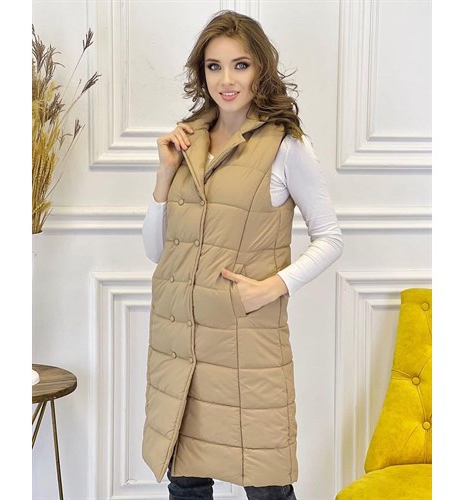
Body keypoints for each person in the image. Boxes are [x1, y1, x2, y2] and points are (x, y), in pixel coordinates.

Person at [141, 10, 343, 500]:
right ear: (201, 72)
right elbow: (158, 252)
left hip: (247, 347)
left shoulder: (286, 146)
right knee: (187, 484)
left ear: (260, 69)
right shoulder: (187, 141)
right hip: (181, 346)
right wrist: (165, 174)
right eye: (214, 66)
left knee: (267, 486)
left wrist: (272, 287)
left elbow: (330, 237)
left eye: (240, 65)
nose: (226, 80)